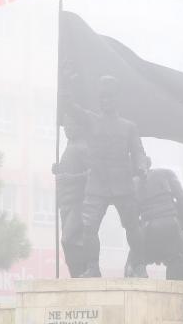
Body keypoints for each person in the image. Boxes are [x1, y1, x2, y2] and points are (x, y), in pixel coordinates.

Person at [62, 75, 148, 278]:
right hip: (97, 184)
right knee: (89, 227)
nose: (105, 101)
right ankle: (93, 267)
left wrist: (142, 167)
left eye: (109, 97)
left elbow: (138, 152)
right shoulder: (91, 120)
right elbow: (69, 107)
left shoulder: (129, 127)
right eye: (102, 97)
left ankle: (139, 264)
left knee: (133, 227)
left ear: (117, 99)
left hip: (122, 183)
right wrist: (66, 82)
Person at [124, 157, 183, 276]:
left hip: (148, 230)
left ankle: (137, 279)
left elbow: (131, 219)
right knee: (180, 265)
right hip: (171, 226)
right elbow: (182, 198)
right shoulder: (166, 173)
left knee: (133, 267)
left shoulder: (130, 185)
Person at [52, 113, 99, 277]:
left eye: (71, 125)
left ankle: (85, 270)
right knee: (72, 241)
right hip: (65, 202)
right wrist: (58, 170)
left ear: (79, 127)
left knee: (68, 238)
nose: (67, 129)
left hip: (79, 202)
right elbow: (69, 169)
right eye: (65, 126)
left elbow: (94, 172)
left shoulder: (82, 146)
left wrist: (71, 178)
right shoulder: (68, 146)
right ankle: (78, 274)